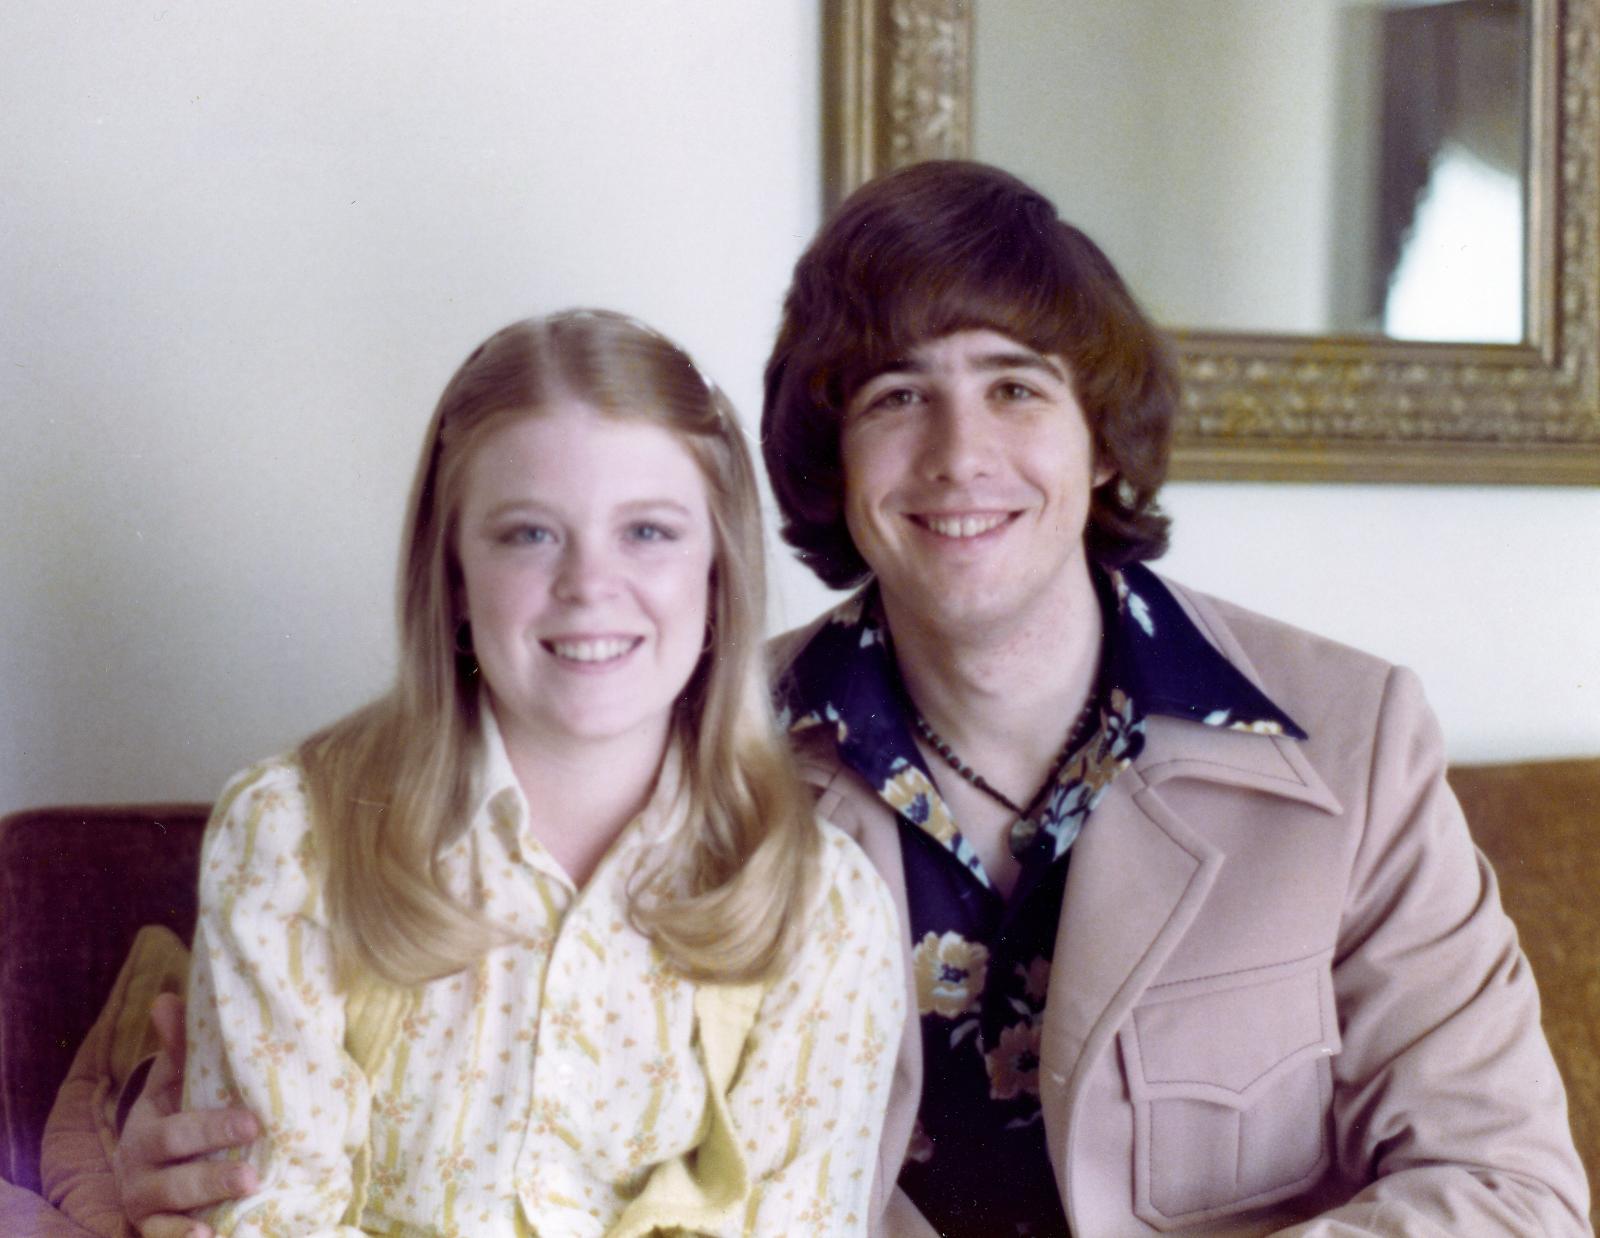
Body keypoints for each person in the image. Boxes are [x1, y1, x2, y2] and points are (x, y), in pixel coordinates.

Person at [98, 164, 1590, 1234]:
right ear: (826, 466)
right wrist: (106, 1126)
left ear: (1102, 437)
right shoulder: (690, 745)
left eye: (1016, 385)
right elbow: (365, 906)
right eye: (895, 396)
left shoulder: (1348, 742)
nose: (958, 454)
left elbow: (1514, 1187)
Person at [113, 309, 905, 1237]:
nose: (589, 584)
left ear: (718, 575)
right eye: (530, 534)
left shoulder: (822, 904)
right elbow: (267, 1216)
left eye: (648, 531)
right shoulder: (295, 836)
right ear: (451, 574)